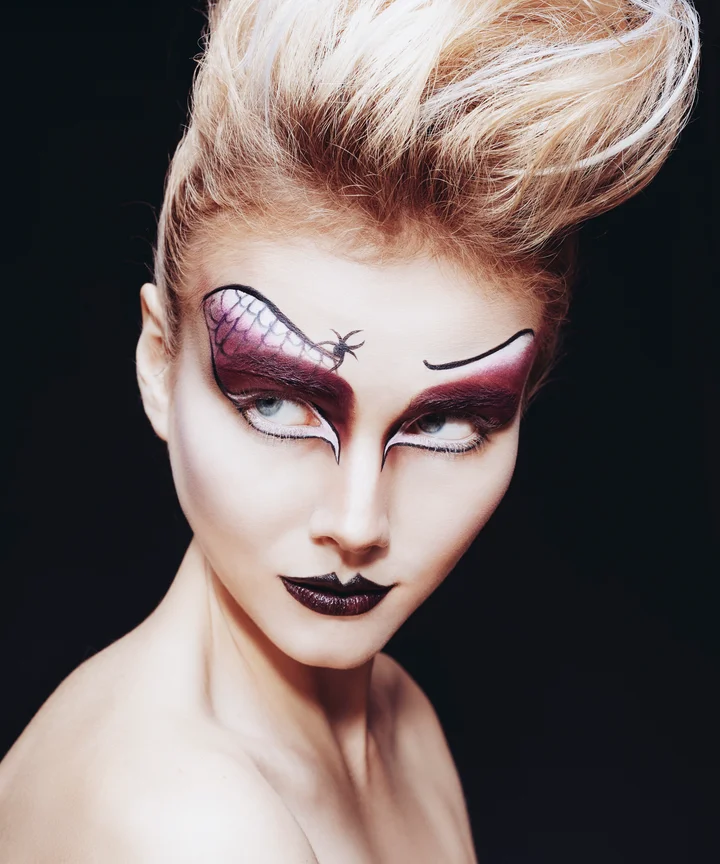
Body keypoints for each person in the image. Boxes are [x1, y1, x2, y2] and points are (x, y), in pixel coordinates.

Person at [0, 0, 700, 860]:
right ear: (157, 363)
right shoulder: (187, 826)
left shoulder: (402, 724)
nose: (358, 523)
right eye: (276, 405)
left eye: (447, 421)